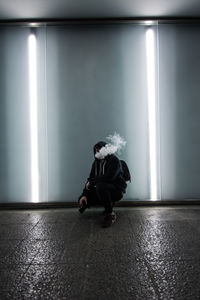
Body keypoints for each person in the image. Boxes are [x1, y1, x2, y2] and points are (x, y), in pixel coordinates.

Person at [78, 141, 127, 228]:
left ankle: (110, 214)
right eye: (96, 151)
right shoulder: (95, 163)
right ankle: (107, 205)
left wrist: (93, 182)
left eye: (100, 150)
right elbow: (90, 179)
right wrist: (84, 194)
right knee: (83, 197)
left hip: (117, 190)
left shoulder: (114, 160)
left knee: (101, 186)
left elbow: (109, 177)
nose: (98, 152)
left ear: (106, 149)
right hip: (104, 189)